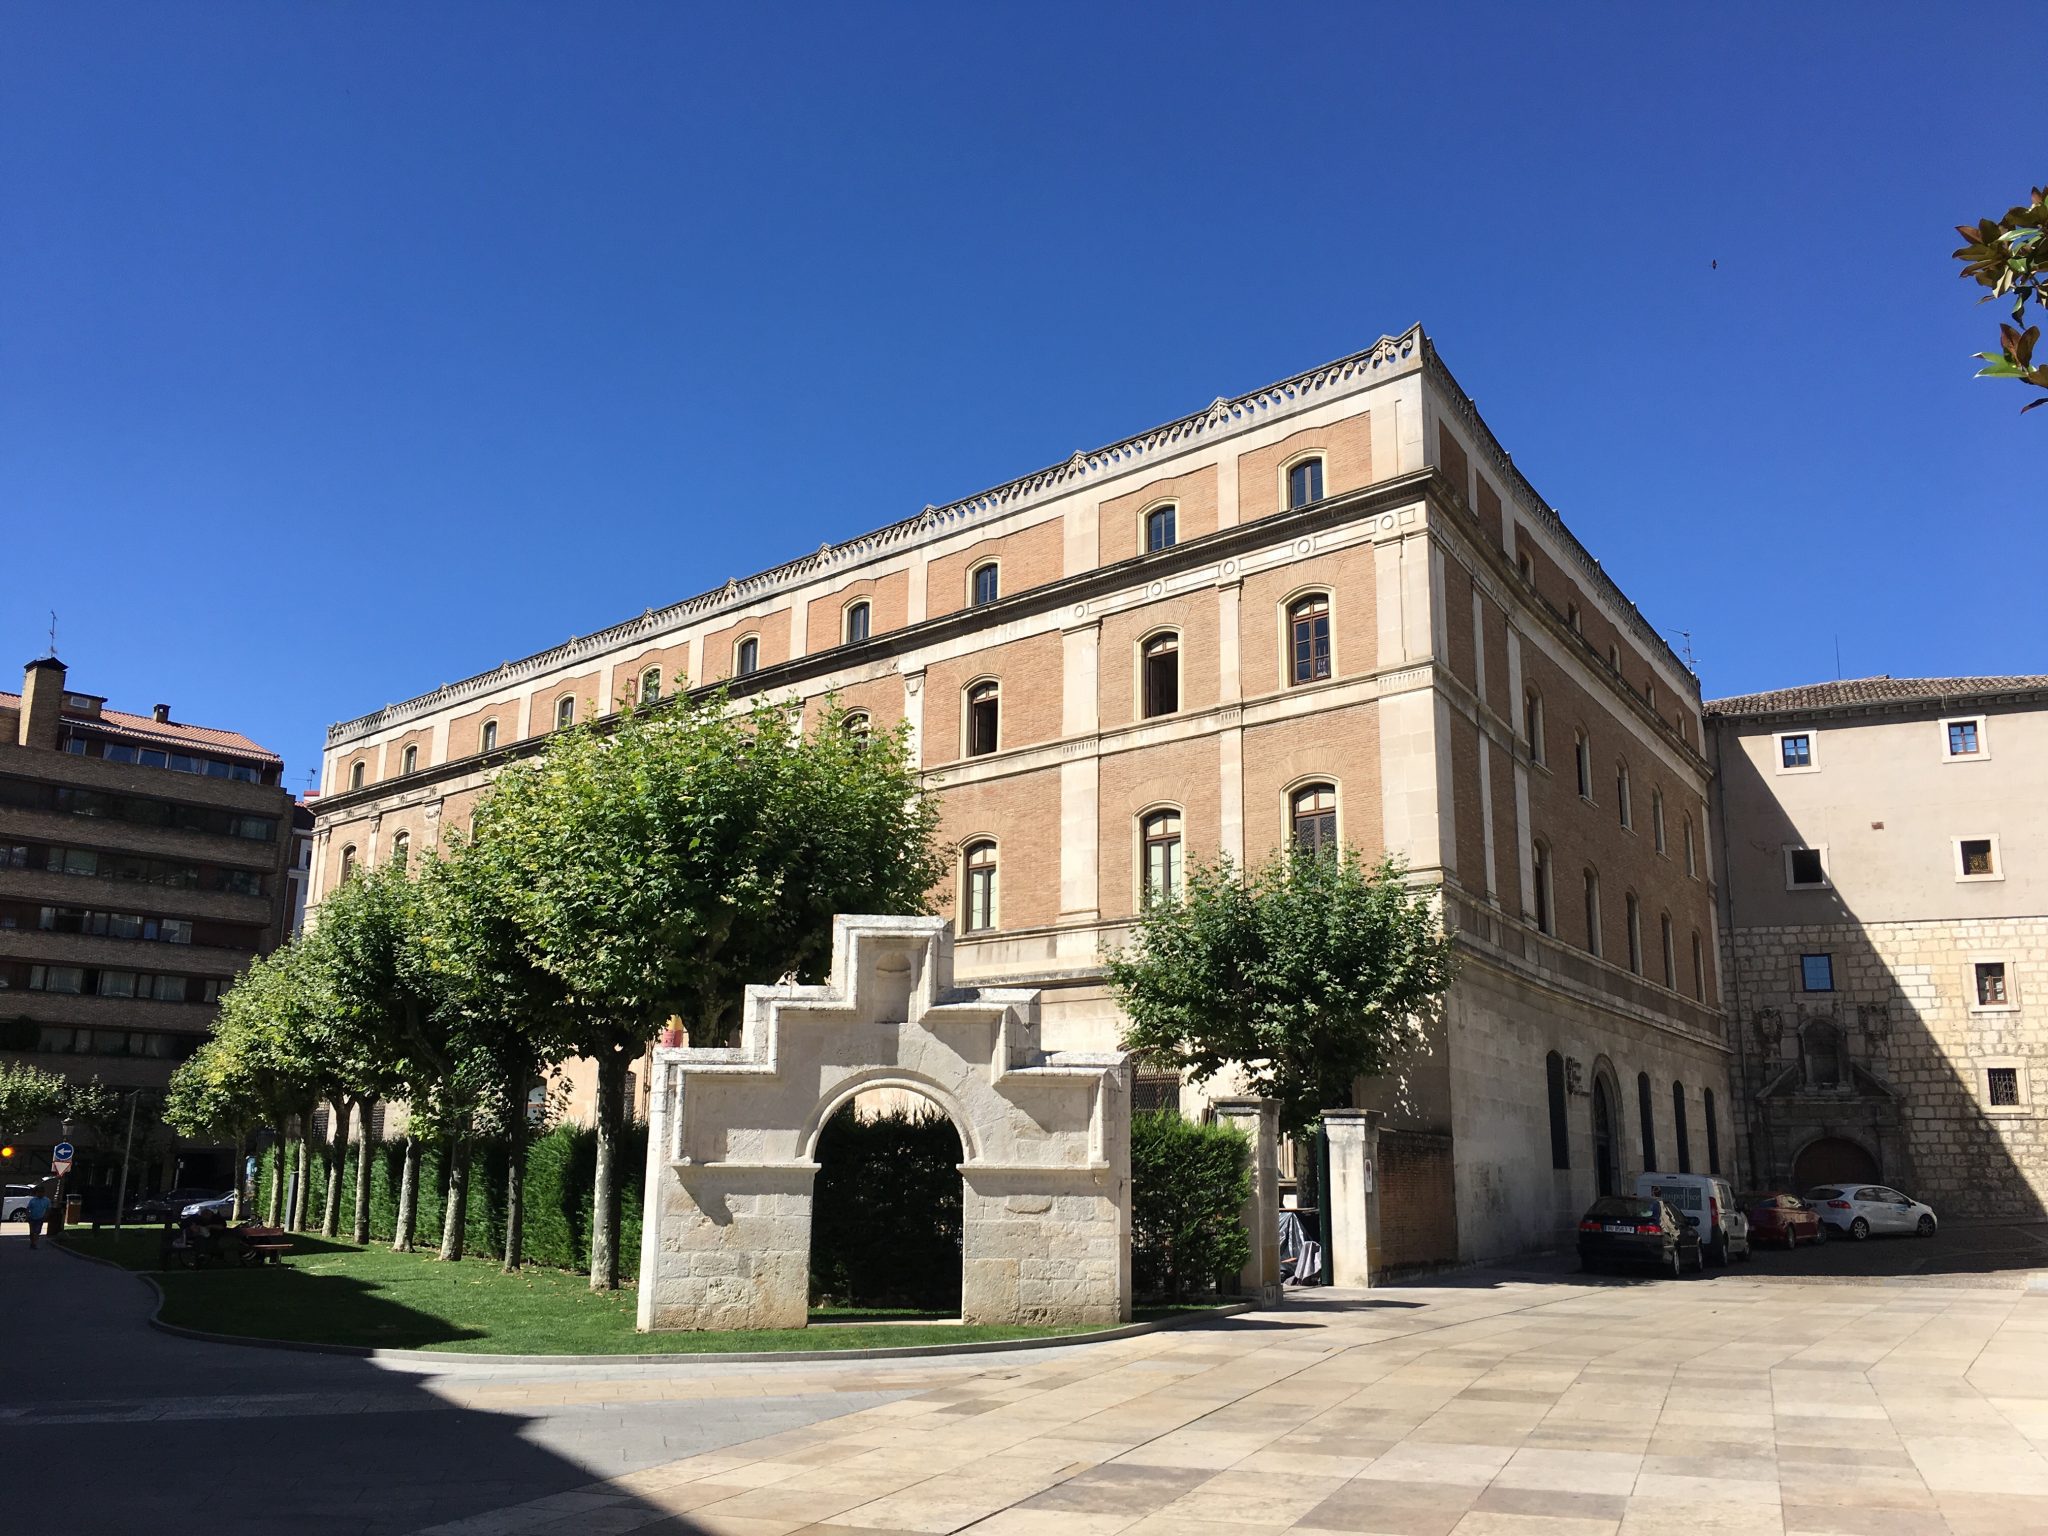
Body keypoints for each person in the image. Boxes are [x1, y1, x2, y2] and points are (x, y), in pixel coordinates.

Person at [25, 1185, 52, 1250]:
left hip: (40, 1218)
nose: (40, 1194)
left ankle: (35, 1243)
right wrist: (28, 1215)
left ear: (43, 1192)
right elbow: (28, 1208)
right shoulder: (33, 1200)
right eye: (38, 1192)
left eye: (41, 1192)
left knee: (37, 1231)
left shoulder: (47, 1200)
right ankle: (32, 1242)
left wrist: (45, 1216)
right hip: (32, 1217)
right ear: (36, 1193)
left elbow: (48, 1209)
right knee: (32, 1232)